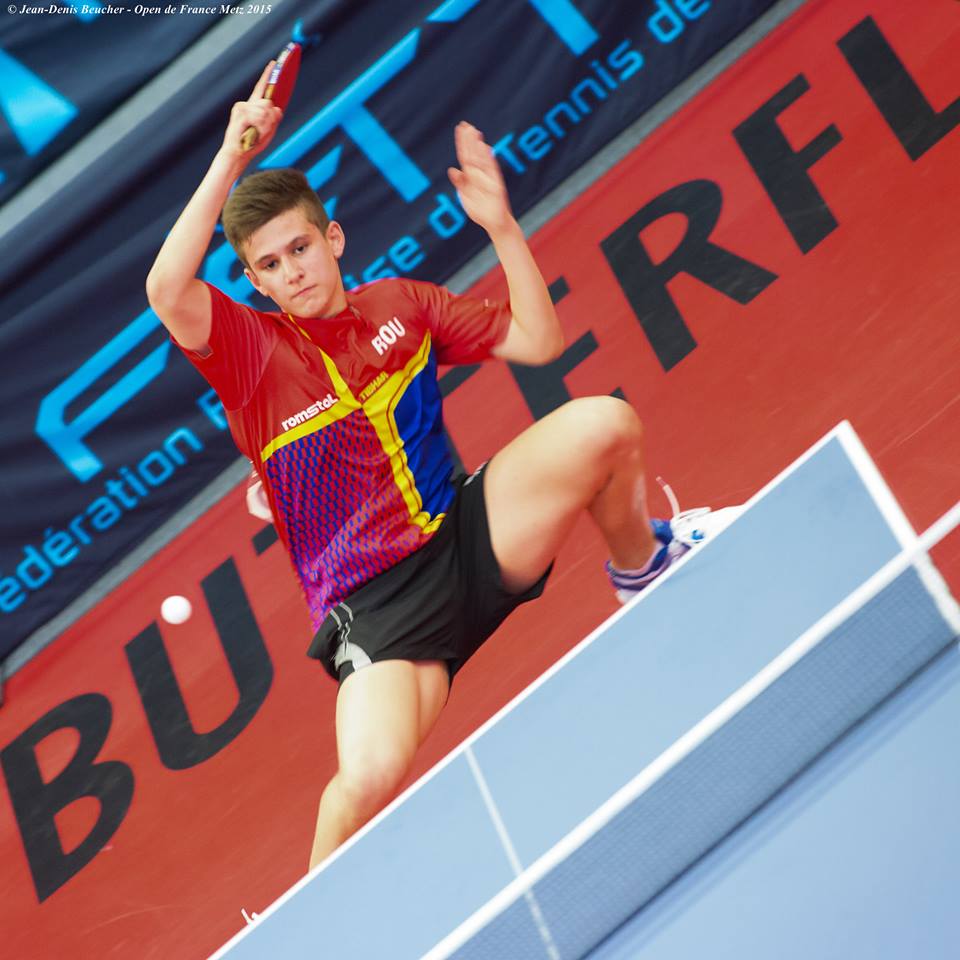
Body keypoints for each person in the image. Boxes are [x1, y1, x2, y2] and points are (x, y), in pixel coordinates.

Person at [146, 62, 728, 872]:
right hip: (380, 610)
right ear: (253, 281)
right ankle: (308, 926)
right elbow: (165, 287)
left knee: (604, 424)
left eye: (300, 248)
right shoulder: (250, 354)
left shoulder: (401, 306)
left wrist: (502, 227)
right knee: (365, 781)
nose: (292, 272)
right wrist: (231, 158)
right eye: (270, 265)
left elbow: (539, 342)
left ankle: (642, 567)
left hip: (468, 537)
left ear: (333, 239)